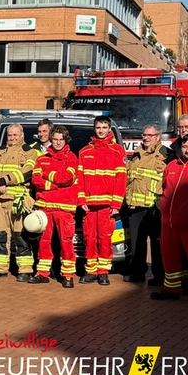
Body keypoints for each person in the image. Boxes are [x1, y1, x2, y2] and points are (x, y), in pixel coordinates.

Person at [0, 123, 39, 281]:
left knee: (21, 236)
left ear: (22, 135)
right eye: (10, 135)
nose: (12, 138)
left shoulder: (30, 152)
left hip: (18, 201)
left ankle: (25, 269)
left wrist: (4, 181)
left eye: (15, 135)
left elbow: (27, 172)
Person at [76, 116, 126, 285]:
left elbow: (121, 179)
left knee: (104, 238)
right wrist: (81, 199)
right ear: (94, 129)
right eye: (98, 127)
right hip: (89, 206)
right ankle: (91, 270)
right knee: (89, 237)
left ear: (109, 129)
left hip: (107, 205)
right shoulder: (84, 152)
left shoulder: (118, 151)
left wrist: (116, 204)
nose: (101, 130)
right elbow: (80, 178)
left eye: (104, 127)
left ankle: (103, 271)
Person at [29, 126, 79, 288]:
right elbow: (36, 179)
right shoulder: (42, 158)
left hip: (64, 209)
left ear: (66, 140)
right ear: (51, 139)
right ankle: (42, 273)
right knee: (43, 241)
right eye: (55, 139)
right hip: (44, 208)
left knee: (66, 242)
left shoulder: (72, 158)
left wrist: (47, 175)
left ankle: (68, 275)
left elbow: (67, 178)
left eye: (61, 140)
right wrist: (53, 185)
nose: (58, 142)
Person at [123, 123, 171, 285]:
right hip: (135, 207)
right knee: (137, 243)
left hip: (154, 208)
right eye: (144, 135)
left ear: (158, 137)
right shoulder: (136, 154)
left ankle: (159, 276)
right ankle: (138, 273)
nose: (146, 138)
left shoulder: (166, 155)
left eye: (150, 135)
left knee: (157, 245)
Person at [152, 135, 188, 300]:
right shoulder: (172, 165)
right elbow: (165, 187)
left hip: (187, 224)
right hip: (168, 223)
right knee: (169, 257)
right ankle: (171, 290)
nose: (187, 150)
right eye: (185, 146)